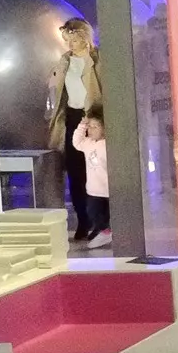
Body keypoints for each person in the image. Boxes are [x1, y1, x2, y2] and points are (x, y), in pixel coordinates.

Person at [47, 17, 102, 242]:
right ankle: (82, 219)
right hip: (72, 117)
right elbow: (56, 88)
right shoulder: (65, 60)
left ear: (84, 37)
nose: (69, 44)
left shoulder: (96, 59)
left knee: (95, 171)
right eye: (66, 40)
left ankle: (99, 220)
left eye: (74, 39)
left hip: (93, 118)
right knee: (75, 170)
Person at [72, 103, 110, 249]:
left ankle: (106, 231)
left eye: (96, 127)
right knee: (93, 212)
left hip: (108, 189)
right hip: (94, 190)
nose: (91, 130)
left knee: (107, 214)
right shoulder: (88, 143)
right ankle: (105, 231)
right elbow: (76, 142)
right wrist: (82, 125)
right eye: (90, 126)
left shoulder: (107, 145)